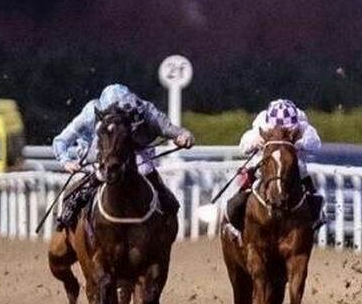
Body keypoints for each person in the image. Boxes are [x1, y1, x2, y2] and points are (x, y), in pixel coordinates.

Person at [52, 83, 194, 229]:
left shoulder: (146, 111)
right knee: (98, 175)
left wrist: (185, 137)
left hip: (134, 154)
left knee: (150, 175)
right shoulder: (89, 114)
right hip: (98, 155)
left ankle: (166, 212)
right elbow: (60, 141)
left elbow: (172, 130)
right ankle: (71, 210)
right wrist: (66, 161)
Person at [226, 99, 324, 234]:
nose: (282, 133)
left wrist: (299, 142)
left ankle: (314, 217)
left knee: (312, 195)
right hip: (263, 169)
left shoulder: (302, 125)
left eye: (288, 130)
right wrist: (255, 141)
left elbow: (316, 144)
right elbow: (243, 145)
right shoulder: (262, 124)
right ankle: (236, 224)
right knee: (236, 203)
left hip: (294, 172)